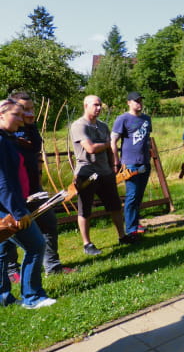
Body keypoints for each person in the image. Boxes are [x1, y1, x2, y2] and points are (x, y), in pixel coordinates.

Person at [5, 92, 74, 282]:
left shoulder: (28, 127)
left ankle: (52, 266)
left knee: (49, 223)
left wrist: (32, 124)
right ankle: (12, 271)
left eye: (31, 109)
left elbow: (35, 146)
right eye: (24, 109)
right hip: (11, 191)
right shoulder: (7, 131)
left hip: (33, 187)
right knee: (9, 231)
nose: (28, 113)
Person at [0, 98, 56, 308]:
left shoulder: (8, 138)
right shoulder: (2, 141)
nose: (20, 119)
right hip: (8, 209)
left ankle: (3, 297)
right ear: (1, 115)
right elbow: (3, 181)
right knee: (36, 245)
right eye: (16, 114)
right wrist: (17, 211)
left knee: (3, 251)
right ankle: (32, 297)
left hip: (8, 205)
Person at [70, 95, 130, 256]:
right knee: (85, 210)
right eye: (95, 105)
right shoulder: (79, 126)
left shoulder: (103, 126)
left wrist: (114, 164)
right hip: (87, 173)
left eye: (100, 105)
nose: (98, 108)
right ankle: (87, 244)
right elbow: (90, 148)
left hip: (105, 172)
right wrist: (108, 144)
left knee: (115, 205)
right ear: (86, 106)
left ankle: (122, 236)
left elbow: (111, 149)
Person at [111, 92, 152, 239]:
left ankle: (135, 222)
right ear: (128, 102)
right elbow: (113, 141)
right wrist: (116, 161)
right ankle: (130, 229)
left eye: (140, 101)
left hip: (145, 162)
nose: (139, 103)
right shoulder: (122, 119)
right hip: (130, 163)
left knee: (139, 196)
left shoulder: (146, 119)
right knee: (132, 196)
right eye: (136, 101)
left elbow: (147, 139)